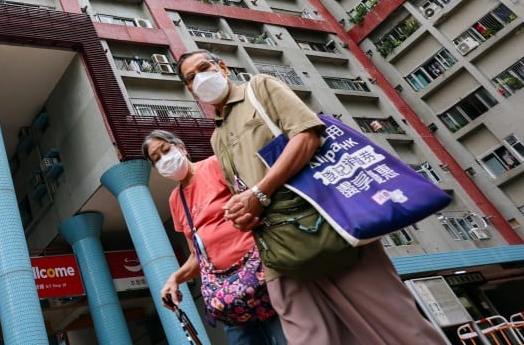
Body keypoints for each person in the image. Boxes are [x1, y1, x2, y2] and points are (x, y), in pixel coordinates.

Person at [176, 50, 446, 345]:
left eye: (204, 67)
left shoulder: (260, 88)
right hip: (276, 250)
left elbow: (307, 136)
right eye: (191, 78)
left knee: (398, 326)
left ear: (223, 67)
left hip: (324, 227)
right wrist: (245, 212)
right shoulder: (216, 137)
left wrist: (260, 192)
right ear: (190, 89)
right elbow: (245, 191)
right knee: (308, 336)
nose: (201, 78)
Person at [143, 130, 287, 345]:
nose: (165, 160)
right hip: (229, 294)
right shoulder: (176, 200)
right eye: (157, 159)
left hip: (265, 275)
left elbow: (257, 199)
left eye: (166, 150)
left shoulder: (214, 165)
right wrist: (175, 279)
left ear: (181, 147)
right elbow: (197, 256)